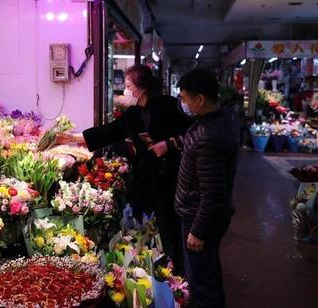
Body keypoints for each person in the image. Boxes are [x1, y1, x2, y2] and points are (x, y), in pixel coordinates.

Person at [57, 64, 192, 273]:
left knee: (171, 226)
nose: (125, 89)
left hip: (169, 178)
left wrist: (169, 144)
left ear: (141, 87)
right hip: (145, 178)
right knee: (149, 224)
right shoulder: (133, 113)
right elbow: (109, 131)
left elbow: (190, 133)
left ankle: (178, 272)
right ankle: (156, 265)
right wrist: (73, 137)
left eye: (128, 85)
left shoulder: (169, 106)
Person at [175, 69, 239, 308]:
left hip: (198, 218)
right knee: (209, 274)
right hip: (209, 217)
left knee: (201, 285)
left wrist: (198, 231)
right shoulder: (223, 119)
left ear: (200, 100)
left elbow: (212, 194)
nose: (182, 103)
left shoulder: (208, 137)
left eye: (183, 98)